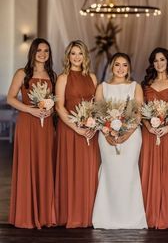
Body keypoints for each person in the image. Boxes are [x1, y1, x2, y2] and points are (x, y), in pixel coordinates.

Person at [92, 52, 147, 229]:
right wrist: (107, 134)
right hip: (106, 136)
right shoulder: (102, 87)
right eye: (117, 64)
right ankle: (106, 217)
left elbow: (138, 113)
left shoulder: (135, 86)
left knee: (128, 173)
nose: (121, 68)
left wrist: (126, 133)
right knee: (110, 173)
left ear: (129, 68)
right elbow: (99, 113)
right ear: (111, 67)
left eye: (125, 65)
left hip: (131, 137)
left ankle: (131, 218)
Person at [7, 38, 56, 229]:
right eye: (39, 50)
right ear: (33, 53)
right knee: (28, 165)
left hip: (45, 127)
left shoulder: (52, 75)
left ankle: (43, 215)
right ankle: (26, 214)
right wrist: (30, 110)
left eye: (46, 51)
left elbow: (54, 101)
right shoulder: (23, 73)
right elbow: (11, 98)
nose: (43, 54)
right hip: (28, 124)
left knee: (44, 165)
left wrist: (49, 110)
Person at [55, 40, 100, 228]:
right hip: (70, 130)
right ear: (68, 56)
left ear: (85, 56)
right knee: (71, 170)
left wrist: (92, 125)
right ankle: (71, 214)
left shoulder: (93, 77)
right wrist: (76, 128)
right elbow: (59, 106)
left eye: (79, 53)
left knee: (89, 170)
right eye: (73, 53)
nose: (76, 57)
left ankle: (89, 215)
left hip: (90, 131)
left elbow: (97, 106)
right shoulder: (63, 77)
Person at [140, 47, 168, 229]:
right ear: (152, 64)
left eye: (162, 60)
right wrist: (149, 127)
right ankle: (150, 215)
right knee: (149, 171)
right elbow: (141, 111)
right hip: (150, 134)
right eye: (155, 61)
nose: (159, 64)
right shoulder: (146, 85)